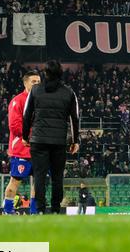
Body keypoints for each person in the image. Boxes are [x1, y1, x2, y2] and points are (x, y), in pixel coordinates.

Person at [22, 60, 80, 215]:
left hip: (38, 140)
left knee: (39, 176)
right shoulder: (69, 92)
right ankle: (55, 209)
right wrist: (75, 141)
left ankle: (40, 209)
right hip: (58, 141)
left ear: (45, 73)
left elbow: (27, 115)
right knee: (57, 177)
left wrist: (25, 136)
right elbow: (74, 119)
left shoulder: (35, 91)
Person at [5, 69, 41, 215]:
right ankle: (8, 210)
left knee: (38, 183)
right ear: (25, 83)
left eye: (39, 82)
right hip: (22, 149)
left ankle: (34, 212)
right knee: (15, 181)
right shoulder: (18, 101)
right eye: (34, 81)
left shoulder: (43, 100)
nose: (37, 84)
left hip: (39, 149)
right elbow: (14, 125)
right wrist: (35, 135)